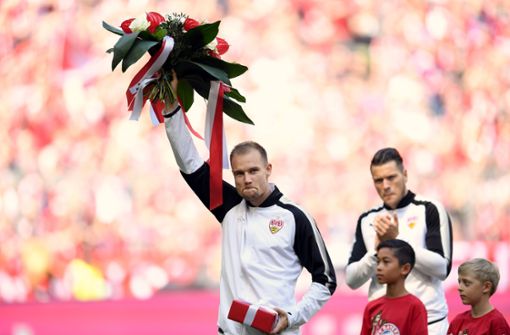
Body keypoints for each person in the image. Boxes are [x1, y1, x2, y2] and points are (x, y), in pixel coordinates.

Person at [162, 98, 337, 334]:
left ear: (268, 169)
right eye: (239, 173)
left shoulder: (294, 217)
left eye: (253, 171)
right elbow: (191, 164)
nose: (247, 179)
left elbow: (326, 279)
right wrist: (171, 109)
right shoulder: (228, 207)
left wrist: (295, 316)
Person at [345, 147, 453, 335]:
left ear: (405, 174)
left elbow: (442, 268)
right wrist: (376, 252)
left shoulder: (429, 209)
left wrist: (397, 240)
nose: (385, 185)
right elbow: (352, 280)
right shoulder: (367, 219)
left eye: (391, 177)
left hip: (430, 322)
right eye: (378, 180)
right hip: (384, 325)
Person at [360, 239, 428, 335]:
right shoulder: (372, 307)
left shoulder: (415, 307)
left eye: (386, 262)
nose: (379, 267)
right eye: (378, 261)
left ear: (405, 269)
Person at [447, 258, 510, 335]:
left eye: (466, 283)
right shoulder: (458, 321)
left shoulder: (496, 322)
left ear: (486, 287)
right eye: (459, 282)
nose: (459, 288)